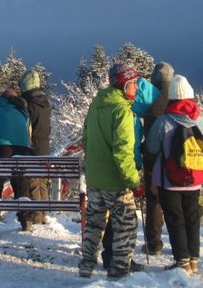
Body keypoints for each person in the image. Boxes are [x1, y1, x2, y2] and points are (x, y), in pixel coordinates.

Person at [78, 64, 142, 280]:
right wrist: (133, 180)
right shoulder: (122, 110)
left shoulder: (97, 104)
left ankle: (86, 264)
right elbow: (123, 151)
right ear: (124, 84)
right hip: (116, 181)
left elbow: (85, 139)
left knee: (95, 224)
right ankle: (119, 270)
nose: (137, 88)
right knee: (125, 225)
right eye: (134, 83)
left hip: (95, 179)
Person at [145, 74, 203, 275]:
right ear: (190, 96)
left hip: (169, 180)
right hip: (194, 180)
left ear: (171, 98)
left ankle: (182, 261)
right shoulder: (201, 122)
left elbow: (152, 148)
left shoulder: (164, 121)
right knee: (192, 218)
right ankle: (194, 260)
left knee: (175, 219)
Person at [101, 76, 158, 272]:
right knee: (124, 217)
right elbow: (125, 148)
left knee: (117, 216)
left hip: (113, 167)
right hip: (126, 169)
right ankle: (120, 259)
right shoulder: (126, 112)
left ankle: (111, 255)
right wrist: (133, 179)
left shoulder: (110, 107)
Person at [0, 88, 33, 236]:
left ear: (0, 97)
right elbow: (29, 134)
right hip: (23, 150)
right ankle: (26, 219)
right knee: (21, 182)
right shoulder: (23, 112)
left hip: (0, 148)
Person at [141, 61, 174, 256]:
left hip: (153, 157)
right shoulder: (179, 97)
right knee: (176, 200)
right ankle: (181, 246)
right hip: (176, 158)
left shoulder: (150, 98)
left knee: (153, 199)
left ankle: (154, 244)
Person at [19, 70, 51, 225]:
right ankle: (43, 214)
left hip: (32, 147)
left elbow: (26, 127)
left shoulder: (27, 104)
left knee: (32, 182)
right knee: (42, 182)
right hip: (45, 147)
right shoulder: (45, 102)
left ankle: (36, 217)